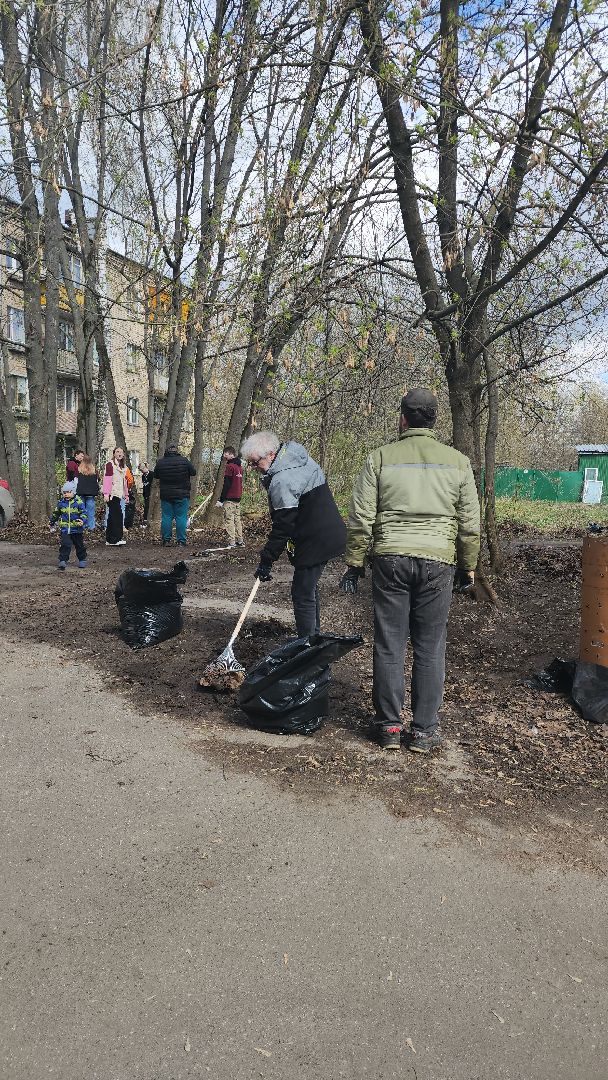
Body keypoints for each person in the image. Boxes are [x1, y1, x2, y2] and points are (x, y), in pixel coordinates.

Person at [340, 389, 480, 753]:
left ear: (403, 418)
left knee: (389, 642)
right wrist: (469, 566)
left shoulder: (381, 458)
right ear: (434, 420)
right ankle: (423, 731)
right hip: (438, 561)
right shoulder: (458, 462)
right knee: (430, 647)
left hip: (391, 558)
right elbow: (469, 524)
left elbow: (360, 518)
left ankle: (388, 727)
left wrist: (355, 562)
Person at [240, 431, 346, 640]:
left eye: (254, 463)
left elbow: (283, 526)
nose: (253, 468)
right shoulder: (296, 458)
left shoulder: (283, 478)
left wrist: (267, 559)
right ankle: (312, 639)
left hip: (317, 538)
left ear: (271, 454)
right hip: (325, 532)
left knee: (302, 593)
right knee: (307, 589)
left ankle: (307, 647)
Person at [153, 443, 196, 546]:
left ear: (166, 452)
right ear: (176, 452)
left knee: (166, 517)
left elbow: (156, 475)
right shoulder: (184, 461)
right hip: (182, 494)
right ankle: (181, 541)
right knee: (181, 517)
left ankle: (166, 540)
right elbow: (193, 472)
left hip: (166, 494)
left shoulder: (161, 462)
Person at [50, 482, 88, 570]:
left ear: (74, 492)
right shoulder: (61, 503)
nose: (66, 494)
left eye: (68, 492)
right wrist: (52, 522)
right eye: (64, 492)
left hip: (77, 529)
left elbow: (84, 513)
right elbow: (56, 514)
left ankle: (82, 559)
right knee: (65, 544)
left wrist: (82, 520)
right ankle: (63, 560)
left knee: (79, 545)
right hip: (65, 529)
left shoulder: (78, 502)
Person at [216, 445, 244, 548]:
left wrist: (221, 499)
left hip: (230, 498)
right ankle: (240, 540)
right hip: (238, 497)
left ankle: (232, 542)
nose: (224, 456)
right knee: (237, 519)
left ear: (230, 454)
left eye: (225, 454)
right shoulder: (240, 467)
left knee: (229, 519)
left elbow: (227, 484)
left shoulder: (230, 467)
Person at [102, 446, 128, 546]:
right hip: (112, 494)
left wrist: (126, 494)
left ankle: (110, 539)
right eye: (117, 452)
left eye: (121, 452)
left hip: (119, 494)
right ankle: (115, 539)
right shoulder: (110, 465)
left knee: (113, 516)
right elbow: (107, 480)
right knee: (117, 516)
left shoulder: (123, 467)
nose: (119, 453)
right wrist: (106, 494)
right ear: (114, 454)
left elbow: (124, 482)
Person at [76, 454, 100, 530]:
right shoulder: (94, 470)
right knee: (91, 511)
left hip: (81, 492)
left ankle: (82, 525)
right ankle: (91, 526)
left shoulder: (79, 470)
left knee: (82, 510)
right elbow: (97, 480)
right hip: (91, 493)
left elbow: (76, 481)